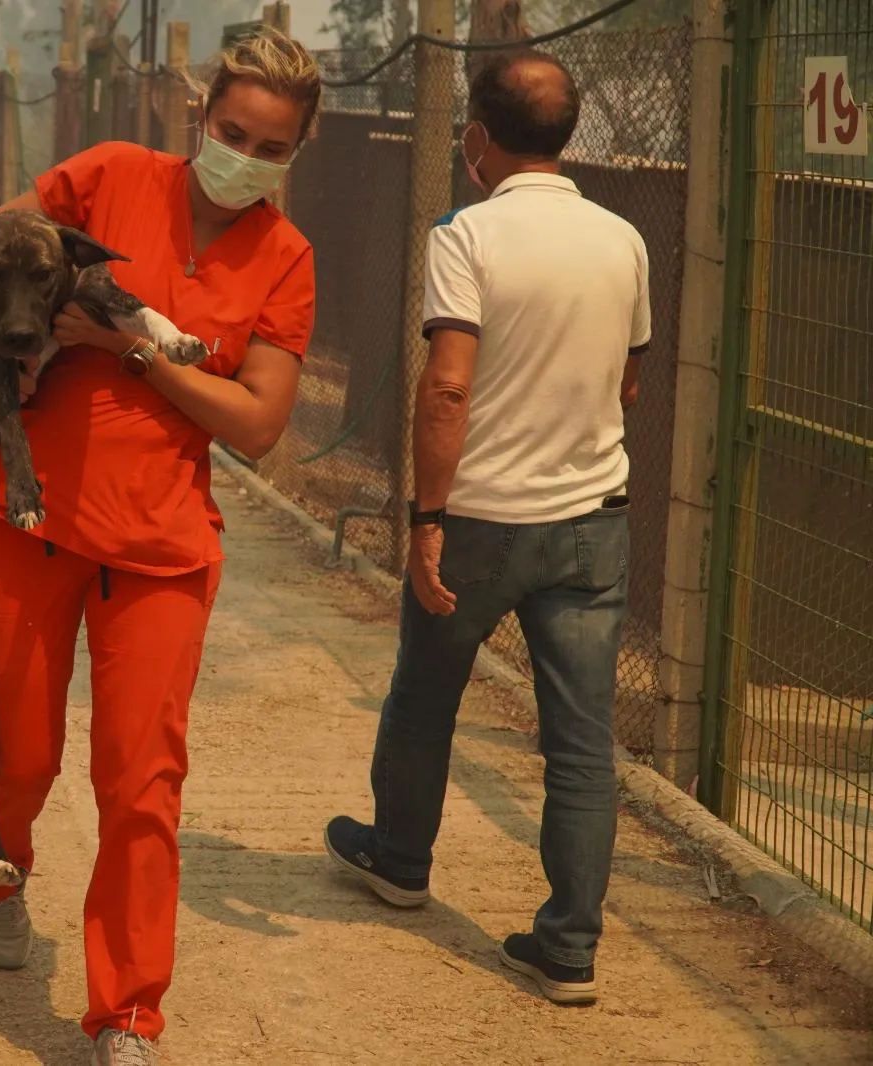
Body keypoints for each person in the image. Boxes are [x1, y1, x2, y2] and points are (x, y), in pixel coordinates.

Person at [0, 30, 319, 1066]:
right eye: (231, 131)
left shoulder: (284, 259)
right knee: (19, 757)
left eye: (269, 145)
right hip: (19, 526)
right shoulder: (107, 177)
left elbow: (254, 423)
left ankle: (125, 1014)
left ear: (297, 151)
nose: (242, 154)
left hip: (161, 548)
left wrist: (133, 351)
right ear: (202, 119)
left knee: (140, 781)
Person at [322, 49, 651, 1007]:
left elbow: (449, 383)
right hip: (593, 524)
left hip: (478, 522)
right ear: (568, 134)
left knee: (425, 697)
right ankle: (568, 948)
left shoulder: (465, 236)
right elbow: (629, 381)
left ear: (476, 139)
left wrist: (426, 521)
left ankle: (401, 860)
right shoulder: (623, 239)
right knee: (583, 743)